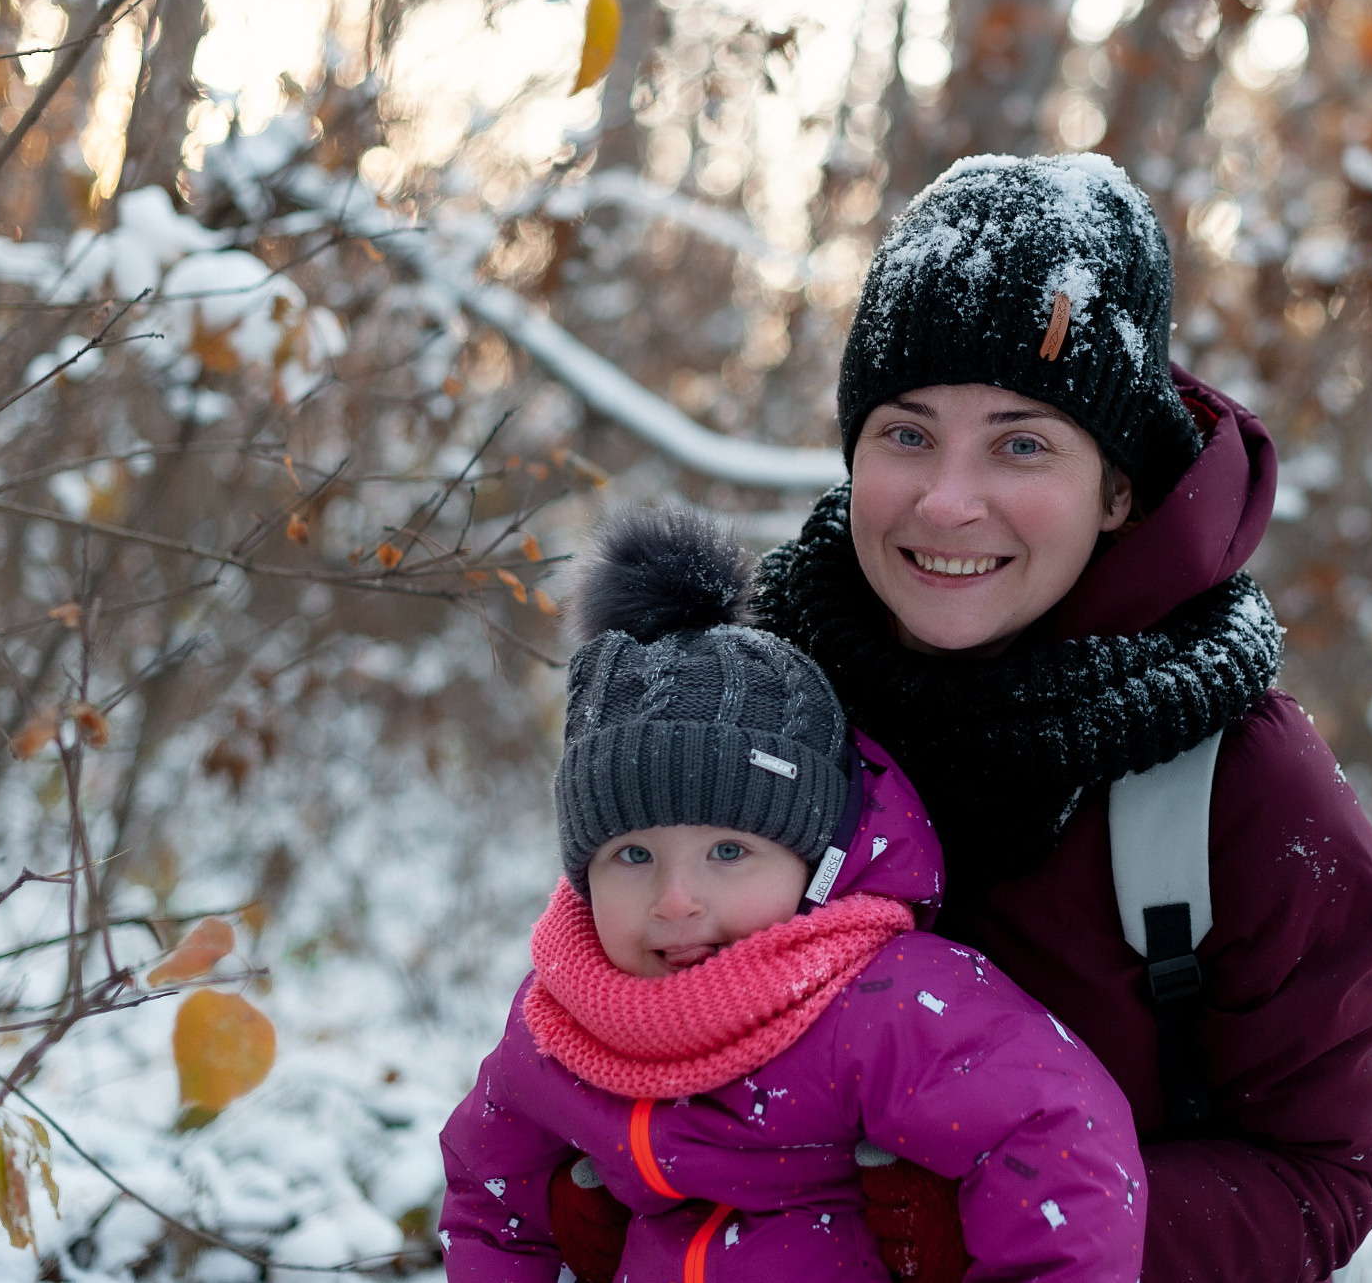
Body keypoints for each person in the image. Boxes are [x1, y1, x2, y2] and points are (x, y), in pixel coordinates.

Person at [751, 153, 1372, 1281]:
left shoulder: (1238, 785)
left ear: (1117, 488)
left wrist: (1016, 1218)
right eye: (907, 433)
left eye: (1022, 443)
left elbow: (1318, 1176)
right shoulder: (759, 706)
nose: (948, 500)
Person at [437, 507, 1146, 1283]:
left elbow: (1062, 1137)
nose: (676, 899)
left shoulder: (882, 1005)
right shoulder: (559, 1025)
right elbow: (487, 1197)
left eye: (728, 851)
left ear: (813, 860)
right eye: (633, 855)